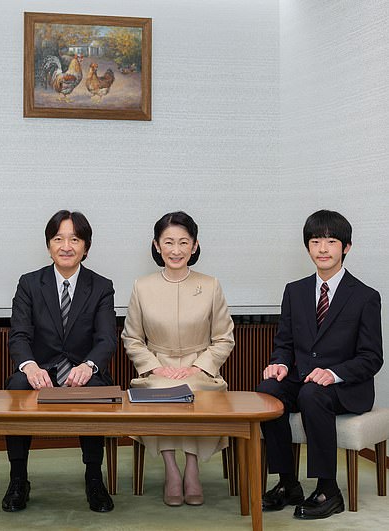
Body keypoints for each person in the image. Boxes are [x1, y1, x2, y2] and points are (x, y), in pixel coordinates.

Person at [257, 210, 383, 520]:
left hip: (346, 388)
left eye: (331, 241)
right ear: (308, 247)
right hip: (303, 379)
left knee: (311, 394)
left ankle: (328, 489)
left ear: (346, 247)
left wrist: (334, 373)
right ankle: (287, 483)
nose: (323, 249)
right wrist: (280, 365)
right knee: (267, 390)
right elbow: (284, 343)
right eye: (315, 241)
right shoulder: (295, 291)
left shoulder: (365, 296)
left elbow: (371, 358)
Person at [2, 210, 118, 513]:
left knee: (95, 389)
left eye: (75, 239)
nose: (66, 246)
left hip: (82, 370)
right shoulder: (29, 283)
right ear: (49, 245)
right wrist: (30, 366)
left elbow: (106, 339)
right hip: (42, 369)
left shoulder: (101, 286)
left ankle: (94, 477)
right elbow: (19, 335)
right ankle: (18, 479)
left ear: (86, 247)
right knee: (16, 385)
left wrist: (88, 366)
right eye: (59, 238)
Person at [122, 211, 234, 507]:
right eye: (168, 242)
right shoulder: (141, 286)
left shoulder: (211, 285)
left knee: (195, 391)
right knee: (161, 393)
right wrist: (156, 367)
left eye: (183, 242)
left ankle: (193, 467)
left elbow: (224, 338)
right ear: (157, 246)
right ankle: (172, 469)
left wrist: (198, 366)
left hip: (200, 368)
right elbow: (132, 338)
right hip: (157, 367)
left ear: (194, 246)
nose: (176, 250)